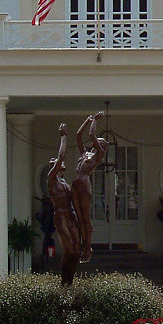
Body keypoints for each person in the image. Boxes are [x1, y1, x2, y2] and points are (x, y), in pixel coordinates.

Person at [72, 112, 108, 263]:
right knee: (78, 216)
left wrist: (94, 121)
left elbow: (91, 135)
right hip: (75, 184)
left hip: (84, 184)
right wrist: (87, 120)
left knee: (85, 216)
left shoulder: (99, 155)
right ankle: (81, 245)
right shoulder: (85, 154)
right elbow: (78, 135)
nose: (97, 141)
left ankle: (88, 247)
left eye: (100, 141)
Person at [48, 123, 81, 285]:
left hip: (71, 216)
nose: (60, 164)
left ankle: (70, 282)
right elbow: (61, 156)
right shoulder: (52, 179)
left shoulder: (65, 183)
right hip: (61, 217)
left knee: (76, 251)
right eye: (56, 164)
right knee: (69, 250)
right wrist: (64, 136)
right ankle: (64, 282)